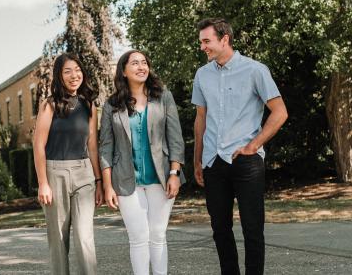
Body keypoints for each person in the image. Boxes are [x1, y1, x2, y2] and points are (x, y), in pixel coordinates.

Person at [191, 18, 288, 274]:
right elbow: (200, 118)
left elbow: (279, 112)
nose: (202, 47)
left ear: (225, 39)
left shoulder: (255, 70)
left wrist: (253, 145)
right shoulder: (202, 74)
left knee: (252, 229)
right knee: (220, 230)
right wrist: (197, 159)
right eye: (201, 41)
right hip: (213, 161)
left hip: (246, 162)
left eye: (206, 41)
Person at [98, 50, 185, 275]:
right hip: (126, 180)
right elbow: (106, 146)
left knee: (158, 235)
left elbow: (175, 137)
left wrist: (175, 173)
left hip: (162, 177)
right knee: (138, 238)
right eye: (134, 63)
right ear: (124, 71)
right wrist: (107, 185)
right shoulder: (112, 105)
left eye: (144, 62)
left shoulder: (163, 96)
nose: (141, 67)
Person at [33, 53, 104, 275]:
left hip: (84, 175)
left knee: (84, 237)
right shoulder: (50, 105)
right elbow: (38, 145)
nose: (74, 75)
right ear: (59, 76)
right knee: (58, 240)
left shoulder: (89, 105)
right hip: (55, 175)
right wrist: (43, 183)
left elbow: (92, 145)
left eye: (77, 70)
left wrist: (99, 180)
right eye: (68, 71)